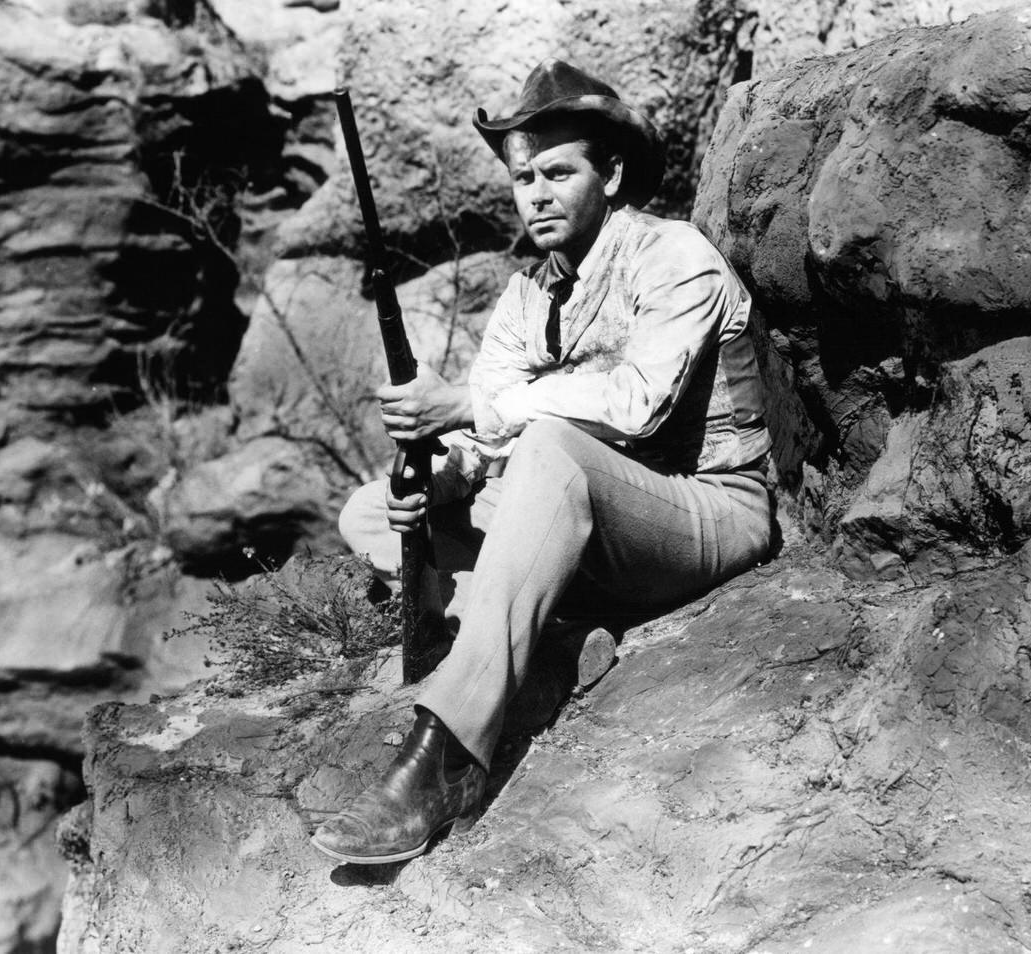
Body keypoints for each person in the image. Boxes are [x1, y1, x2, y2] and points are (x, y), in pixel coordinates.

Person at [311, 59, 774, 865]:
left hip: (708, 510)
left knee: (554, 450)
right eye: (524, 176)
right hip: (586, 522)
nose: (537, 193)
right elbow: (483, 436)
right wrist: (438, 475)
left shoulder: (675, 256)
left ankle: (445, 758)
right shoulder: (528, 295)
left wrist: (465, 409)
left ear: (614, 174)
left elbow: (636, 405)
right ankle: (554, 631)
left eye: (560, 172)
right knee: (367, 509)